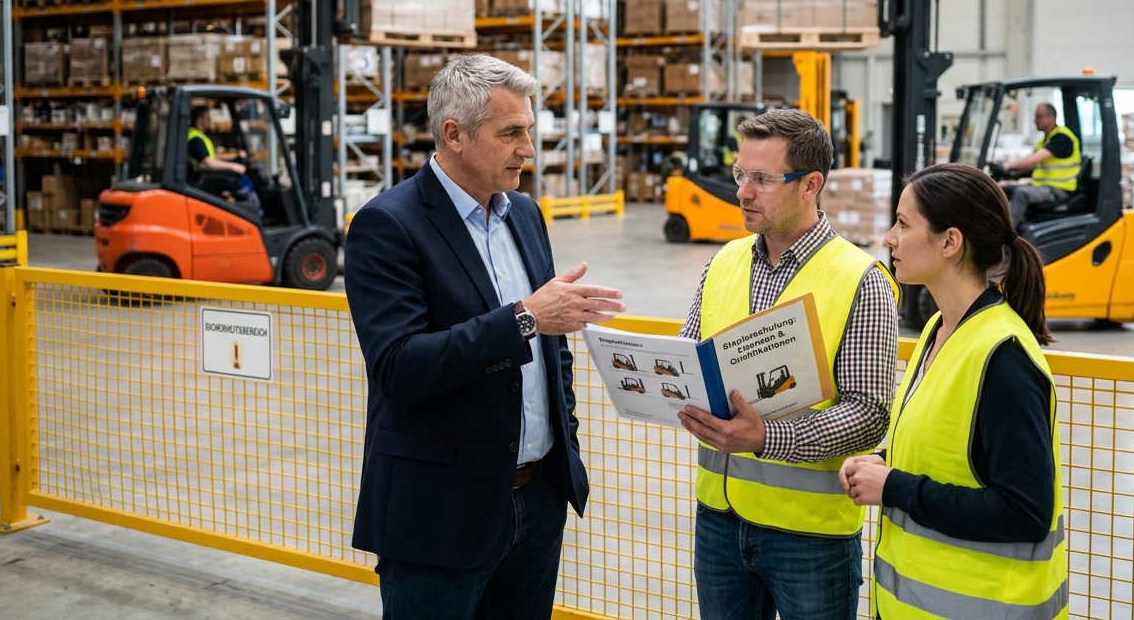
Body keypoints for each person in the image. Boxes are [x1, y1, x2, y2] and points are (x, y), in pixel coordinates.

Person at [344, 54, 626, 620]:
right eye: (511, 133)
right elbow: (399, 367)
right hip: (442, 512)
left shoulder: (524, 213)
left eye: (529, 130)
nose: (528, 148)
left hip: (537, 498)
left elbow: (553, 352)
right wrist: (523, 318)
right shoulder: (389, 225)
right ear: (454, 135)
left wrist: (559, 443)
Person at [675, 108, 900, 620]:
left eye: (762, 179)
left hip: (809, 536)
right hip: (719, 519)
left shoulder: (860, 279)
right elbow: (691, 359)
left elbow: (869, 413)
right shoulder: (722, 263)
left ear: (809, 184)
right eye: (740, 174)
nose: (743, 192)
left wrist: (764, 438)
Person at [841, 163, 1068, 620]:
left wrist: (895, 487)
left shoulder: (1004, 358)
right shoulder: (937, 330)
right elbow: (954, 452)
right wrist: (885, 462)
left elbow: (1024, 511)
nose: (889, 237)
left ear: (950, 242)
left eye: (904, 225)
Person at [996, 102, 1081, 227]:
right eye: (1035, 117)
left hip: (1059, 191)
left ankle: (1007, 232)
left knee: (1022, 193)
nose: (1035, 120)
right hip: (1044, 186)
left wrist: (1008, 165)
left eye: (1039, 116)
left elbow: (1033, 160)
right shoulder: (1045, 140)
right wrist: (1009, 174)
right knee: (1004, 189)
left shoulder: (1062, 137)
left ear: (1052, 117)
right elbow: (1031, 166)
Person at [186, 104, 262, 212]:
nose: (210, 120)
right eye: (207, 118)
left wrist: (235, 158)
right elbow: (209, 162)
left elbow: (212, 158)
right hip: (205, 178)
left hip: (207, 176)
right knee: (244, 180)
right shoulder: (195, 139)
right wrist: (234, 166)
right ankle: (258, 214)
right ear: (199, 120)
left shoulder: (199, 136)